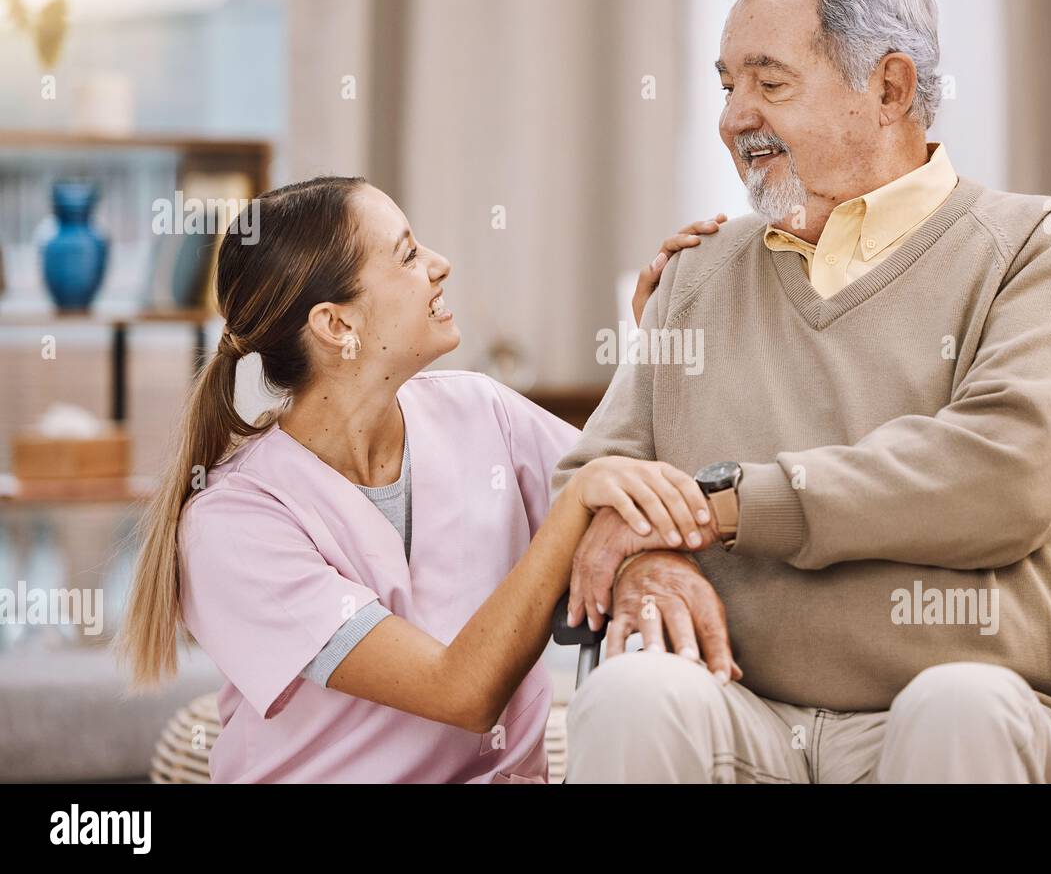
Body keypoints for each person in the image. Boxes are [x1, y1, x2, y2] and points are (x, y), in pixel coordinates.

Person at [553, 0, 1051, 784]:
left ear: (889, 89)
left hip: (962, 708)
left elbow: (1009, 472)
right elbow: (596, 478)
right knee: (633, 695)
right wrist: (640, 557)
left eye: (769, 82)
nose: (732, 117)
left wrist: (726, 506)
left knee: (958, 706)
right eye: (726, 85)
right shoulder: (699, 271)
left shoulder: (1038, 248)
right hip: (742, 706)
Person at [117, 175, 718, 783]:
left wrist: (656, 354)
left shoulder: (483, 414)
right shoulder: (232, 523)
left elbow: (654, 489)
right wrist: (574, 510)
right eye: (406, 254)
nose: (439, 264)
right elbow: (461, 693)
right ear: (335, 325)